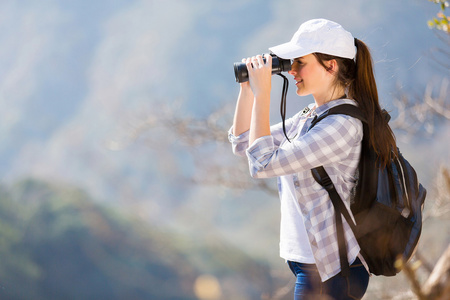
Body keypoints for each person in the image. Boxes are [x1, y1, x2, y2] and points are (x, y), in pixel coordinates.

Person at [228, 19, 397, 299]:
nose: (292, 70)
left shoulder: (342, 126)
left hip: (332, 271)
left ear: (331, 66)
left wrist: (264, 94)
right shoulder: (312, 115)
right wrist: (248, 90)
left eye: (300, 63)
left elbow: (263, 163)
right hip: (309, 264)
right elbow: (245, 144)